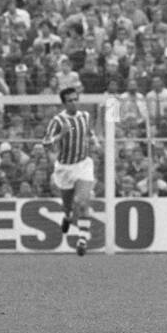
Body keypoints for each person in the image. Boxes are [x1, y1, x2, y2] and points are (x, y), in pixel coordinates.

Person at [43, 87, 100, 255]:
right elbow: (46, 143)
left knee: (82, 202)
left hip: (83, 165)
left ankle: (82, 240)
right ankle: (67, 217)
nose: (74, 102)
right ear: (64, 103)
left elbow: (89, 132)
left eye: (76, 99)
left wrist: (96, 143)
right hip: (64, 169)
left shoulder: (85, 116)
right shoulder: (58, 121)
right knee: (68, 206)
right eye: (70, 100)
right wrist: (61, 135)